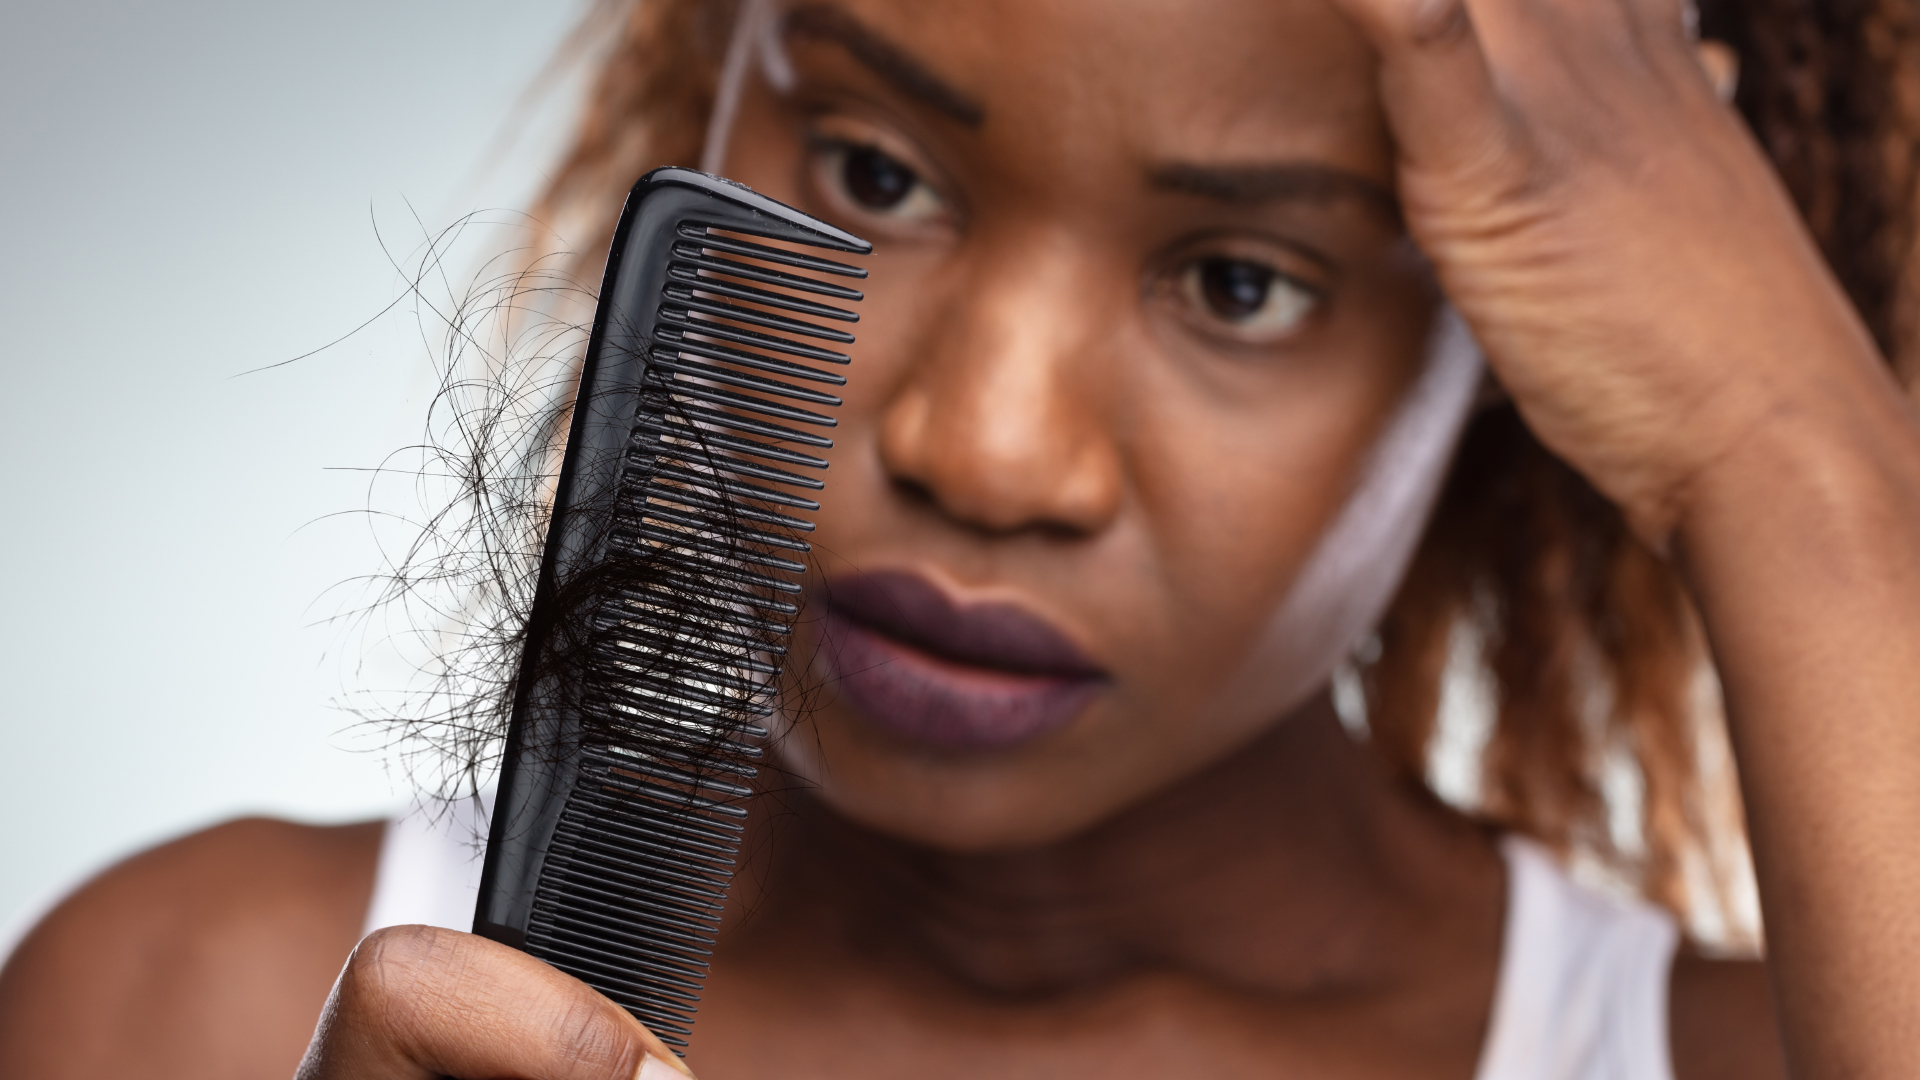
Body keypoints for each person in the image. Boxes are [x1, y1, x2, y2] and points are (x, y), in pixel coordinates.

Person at [5, 0, 1920, 1076]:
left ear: (1543, 325)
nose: (982, 449)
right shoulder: (194, 1005)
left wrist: (1790, 448)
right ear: (715, 80)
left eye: (1243, 284)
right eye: (873, 170)